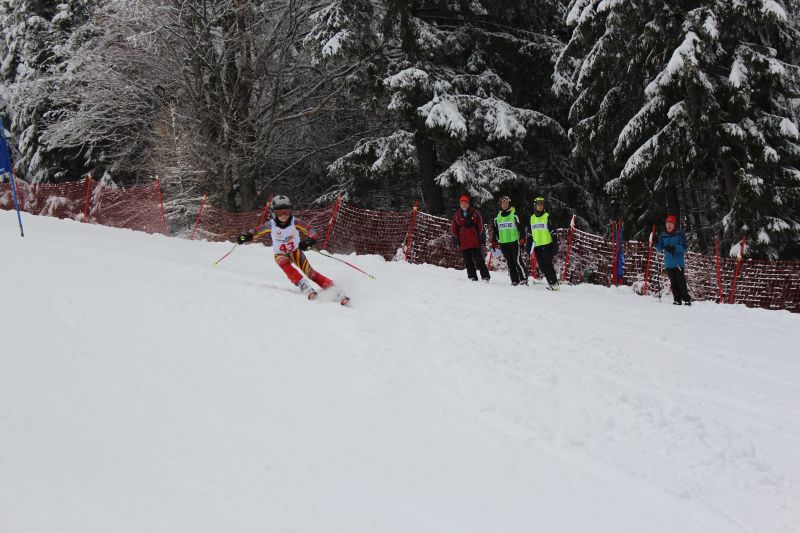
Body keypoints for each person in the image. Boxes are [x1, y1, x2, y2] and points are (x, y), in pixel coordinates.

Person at [237, 195, 345, 302]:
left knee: (311, 273)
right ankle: (303, 284)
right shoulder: (271, 225)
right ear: (274, 212)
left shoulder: (295, 222)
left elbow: (311, 230)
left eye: (287, 211)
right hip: (280, 254)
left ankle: (333, 289)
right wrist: (247, 236)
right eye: (280, 212)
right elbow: (256, 231)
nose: (284, 215)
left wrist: (310, 240)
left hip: (295, 252)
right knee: (284, 263)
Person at [451, 194, 491, 282]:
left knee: (479, 260)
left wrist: (482, 237)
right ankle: (472, 277)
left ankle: (485, 277)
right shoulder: (456, 215)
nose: (463, 205)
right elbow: (454, 229)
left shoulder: (475, 213)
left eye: (465, 203)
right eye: (462, 203)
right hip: (463, 242)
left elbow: (481, 226)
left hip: (474, 241)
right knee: (468, 261)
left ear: (468, 204)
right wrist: (455, 239)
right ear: (460, 204)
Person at [653, 214, 691, 306]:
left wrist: (674, 247)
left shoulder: (680, 234)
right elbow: (660, 248)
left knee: (681, 282)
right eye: (667, 223)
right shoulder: (663, 235)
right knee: (673, 283)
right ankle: (677, 300)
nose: (669, 225)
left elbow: (684, 247)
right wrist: (656, 242)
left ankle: (686, 299)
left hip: (678, 263)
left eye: (671, 223)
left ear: (674, 225)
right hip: (669, 263)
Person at [491, 195, 528, 286]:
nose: (504, 205)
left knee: (517, 261)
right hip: (503, 243)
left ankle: (524, 279)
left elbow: (521, 228)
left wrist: (522, 239)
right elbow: (495, 231)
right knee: (510, 263)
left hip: (514, 242)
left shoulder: (514, 215)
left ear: (509, 204)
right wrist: (494, 241)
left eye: (506, 203)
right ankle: (515, 280)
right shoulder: (497, 217)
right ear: (500, 204)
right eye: (503, 203)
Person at [527, 196, 560, 290]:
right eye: (538, 204)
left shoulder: (547, 216)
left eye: (542, 204)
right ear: (535, 206)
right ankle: (554, 282)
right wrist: (529, 247)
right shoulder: (532, 218)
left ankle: (554, 284)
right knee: (542, 267)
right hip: (537, 246)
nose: (540, 206)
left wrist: (555, 245)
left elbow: (553, 232)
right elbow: (530, 235)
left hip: (547, 245)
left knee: (547, 264)